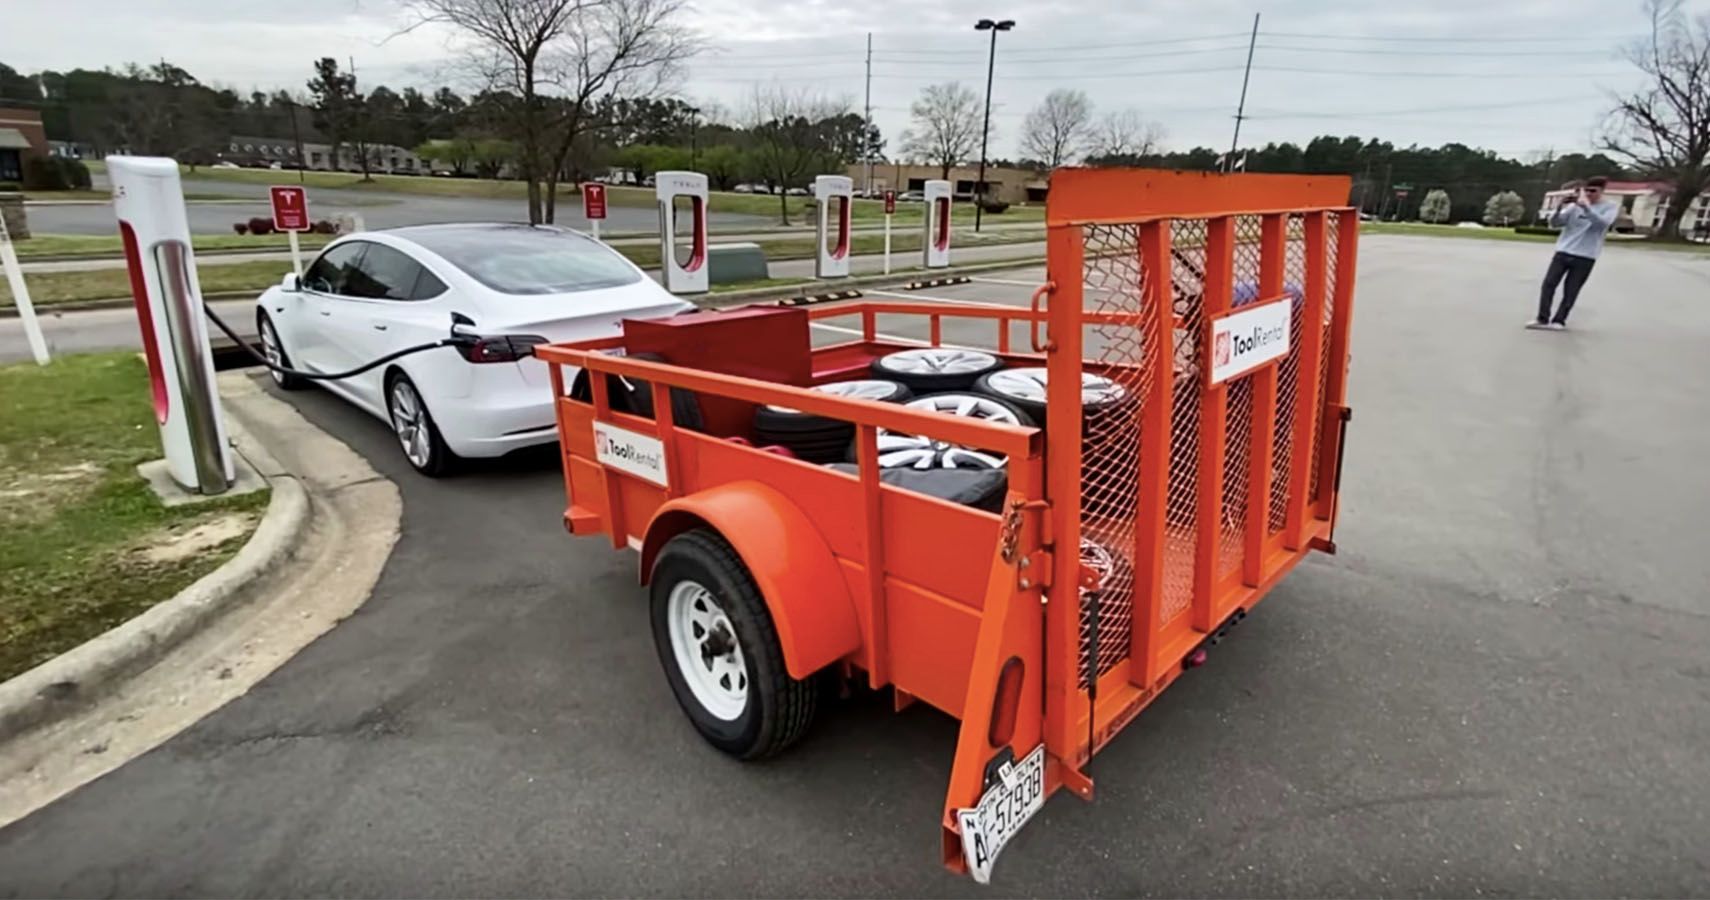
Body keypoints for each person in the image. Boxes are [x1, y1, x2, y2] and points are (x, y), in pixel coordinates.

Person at [1530, 175, 1618, 330]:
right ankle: (1542, 318)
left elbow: (1601, 225)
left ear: (1602, 191)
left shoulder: (1610, 207)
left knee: (1571, 289)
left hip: (1586, 255)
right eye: (1587, 191)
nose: (1590, 194)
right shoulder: (1574, 207)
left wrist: (1586, 208)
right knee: (1548, 285)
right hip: (1564, 251)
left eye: (1593, 191)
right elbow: (1555, 223)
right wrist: (1558, 208)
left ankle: (1559, 320)